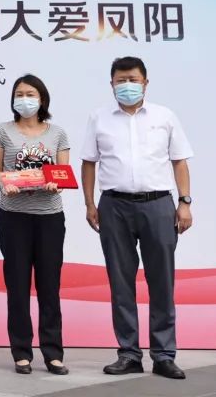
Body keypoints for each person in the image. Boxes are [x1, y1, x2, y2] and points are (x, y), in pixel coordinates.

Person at [81, 56, 193, 380]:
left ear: (145, 82)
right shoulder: (99, 118)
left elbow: (179, 161)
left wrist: (184, 202)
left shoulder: (164, 116)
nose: (127, 85)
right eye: (121, 80)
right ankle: (129, 353)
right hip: (114, 206)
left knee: (162, 281)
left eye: (133, 79)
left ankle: (164, 355)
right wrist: (90, 204)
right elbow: (89, 162)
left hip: (158, 205)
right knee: (120, 282)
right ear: (111, 84)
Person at [0, 74, 70, 375]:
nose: (25, 99)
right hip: (13, 216)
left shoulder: (58, 133)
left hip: (49, 217)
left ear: (42, 99)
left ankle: (53, 353)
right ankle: (21, 352)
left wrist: (56, 183)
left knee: (50, 286)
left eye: (31, 94)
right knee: (18, 285)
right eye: (19, 94)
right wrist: (5, 182)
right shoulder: (2, 131)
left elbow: (63, 173)